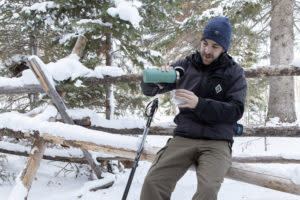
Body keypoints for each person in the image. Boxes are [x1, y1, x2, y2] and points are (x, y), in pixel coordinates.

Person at [139, 16, 247, 200]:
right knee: (153, 181)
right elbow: (148, 90)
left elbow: (235, 110)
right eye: (205, 43)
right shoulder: (186, 66)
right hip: (185, 137)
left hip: (217, 141)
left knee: (207, 191)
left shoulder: (234, 73)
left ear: (224, 49)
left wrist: (200, 104)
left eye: (215, 46)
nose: (207, 50)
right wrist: (153, 82)